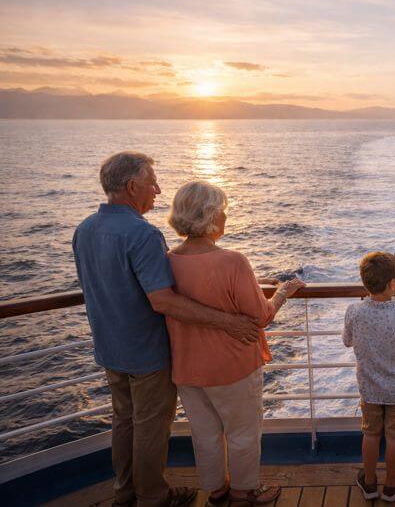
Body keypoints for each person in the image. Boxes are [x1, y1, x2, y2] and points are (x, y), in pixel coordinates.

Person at [72, 153, 263, 507]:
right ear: (132, 187)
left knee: (124, 422)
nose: (158, 190)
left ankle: (125, 492)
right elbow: (164, 301)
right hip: (147, 352)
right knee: (149, 427)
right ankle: (152, 498)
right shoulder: (142, 234)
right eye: (152, 183)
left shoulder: (84, 230)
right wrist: (230, 322)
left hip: (109, 349)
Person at [164, 181, 305, 506]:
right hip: (232, 367)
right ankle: (243, 492)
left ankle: (217, 490)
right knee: (242, 433)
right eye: (223, 210)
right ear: (210, 216)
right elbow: (260, 316)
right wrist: (282, 292)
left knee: (205, 434)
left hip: (187, 367)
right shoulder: (232, 261)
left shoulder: (168, 261)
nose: (226, 216)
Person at [343, 252, 395, 502]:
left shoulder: (354, 311)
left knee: (370, 434)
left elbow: (347, 341)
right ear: (392, 284)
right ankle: (391, 485)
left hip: (369, 388)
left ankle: (369, 483)